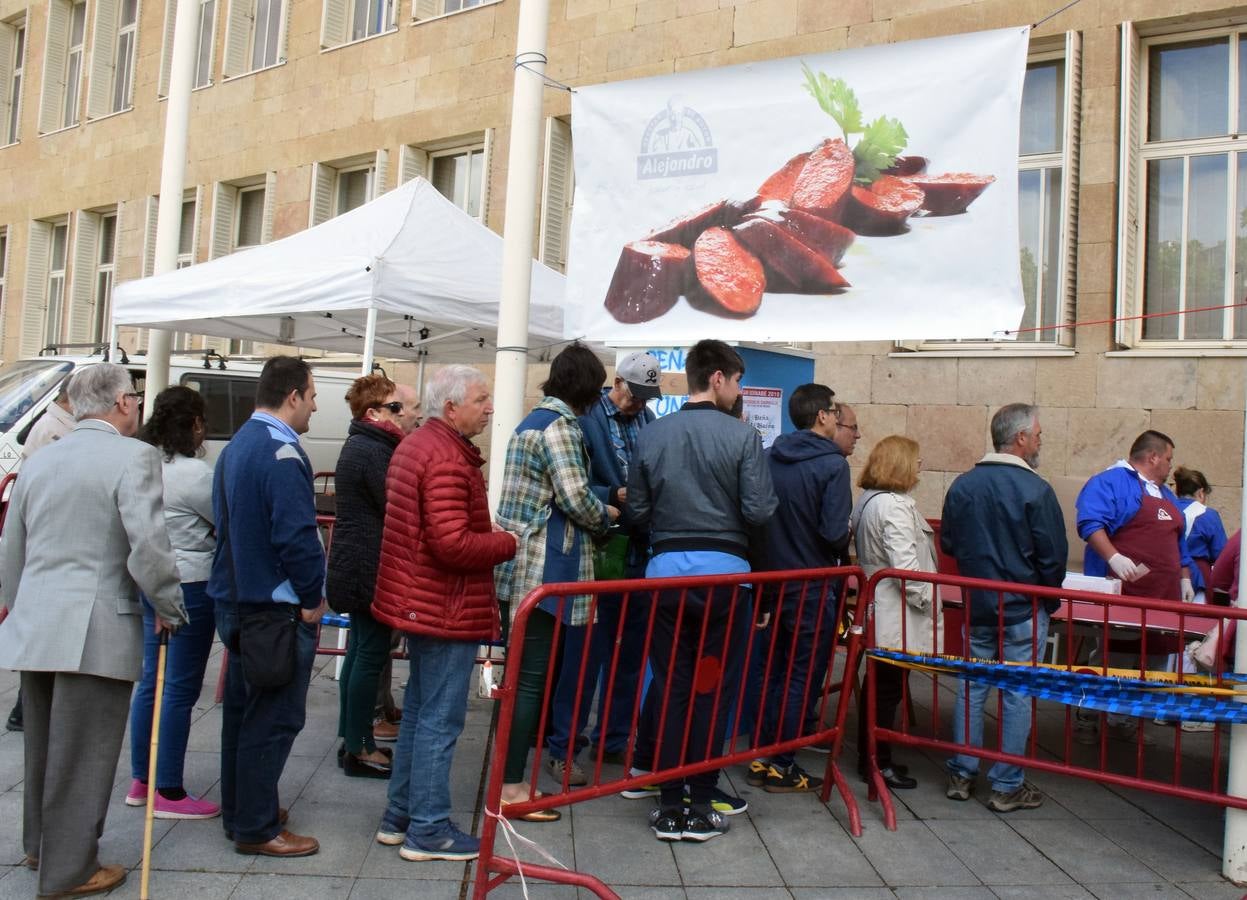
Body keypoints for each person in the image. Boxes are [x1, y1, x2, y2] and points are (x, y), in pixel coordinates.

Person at [0, 363, 188, 898]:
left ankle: (42, 844)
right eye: (134, 397)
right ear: (122, 403)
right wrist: (170, 606)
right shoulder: (134, 456)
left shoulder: (43, 458)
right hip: (95, 625)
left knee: (43, 747)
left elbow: (11, 548)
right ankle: (68, 869)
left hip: (38, 623)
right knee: (83, 754)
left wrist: (21, 608)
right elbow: (148, 549)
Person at [628, 339, 778, 843]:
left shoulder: (652, 436)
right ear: (718, 378)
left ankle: (668, 804)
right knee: (711, 688)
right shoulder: (742, 437)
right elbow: (759, 512)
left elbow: (639, 513)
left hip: (666, 577)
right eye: (737, 381)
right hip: (724, 582)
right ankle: (702, 799)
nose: (739, 391)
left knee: (671, 685)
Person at [371, 365, 517, 861]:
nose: (490, 407)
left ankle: (401, 816)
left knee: (418, 713)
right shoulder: (448, 458)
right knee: (438, 719)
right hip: (444, 605)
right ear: (452, 407)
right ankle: (428, 829)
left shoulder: (418, 445)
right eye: (482, 398)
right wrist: (506, 542)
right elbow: (452, 543)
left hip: (421, 600)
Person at [210, 356, 326, 858]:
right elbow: (297, 536)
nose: (316, 406)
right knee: (273, 718)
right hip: (270, 607)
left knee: (243, 711)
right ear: (293, 395)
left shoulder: (238, 444)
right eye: (313, 395)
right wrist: (311, 597)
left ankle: (242, 811)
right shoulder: (280, 451)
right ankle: (255, 826)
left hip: (237, 601)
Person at [495, 343, 618, 812]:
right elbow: (576, 499)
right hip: (544, 570)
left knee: (524, 676)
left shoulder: (530, 421)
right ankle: (510, 787)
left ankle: (508, 779)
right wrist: (606, 513)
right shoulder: (560, 428)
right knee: (529, 680)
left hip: (523, 565)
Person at [941, 403, 1067, 813]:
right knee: (1015, 694)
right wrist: (1047, 600)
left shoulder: (963, 485)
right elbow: (1052, 558)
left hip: (978, 605)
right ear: (1021, 439)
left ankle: (961, 773)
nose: (1040, 442)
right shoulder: (1036, 489)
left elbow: (950, 545)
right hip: (1022, 608)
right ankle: (1006, 784)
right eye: (1039, 435)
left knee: (971, 688)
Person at [545, 351, 661, 771]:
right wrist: (612, 495)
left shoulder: (647, 421)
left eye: (649, 396)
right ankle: (565, 748)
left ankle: (613, 739)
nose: (642, 403)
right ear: (618, 384)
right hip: (596, 549)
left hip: (636, 547)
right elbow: (567, 484)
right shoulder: (586, 417)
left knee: (630, 653)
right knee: (584, 656)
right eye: (636, 395)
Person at [748, 384, 851, 795]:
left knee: (774, 672)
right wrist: (847, 537)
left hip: (773, 582)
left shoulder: (770, 457)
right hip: (812, 584)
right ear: (823, 416)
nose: (846, 426)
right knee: (802, 677)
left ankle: (761, 754)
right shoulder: (833, 466)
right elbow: (832, 532)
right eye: (837, 413)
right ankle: (782, 763)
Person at [125, 386, 221, 819]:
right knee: (180, 687)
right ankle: (168, 789)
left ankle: (142, 779)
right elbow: (222, 520)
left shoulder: (137, 462)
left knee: (151, 682)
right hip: (190, 583)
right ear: (194, 424)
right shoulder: (194, 474)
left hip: (147, 578)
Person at [1075, 430, 1193, 744]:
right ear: (1152, 456)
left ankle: (1122, 719)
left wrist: (1184, 577)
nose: (1170, 466)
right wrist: (1113, 557)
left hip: (1163, 599)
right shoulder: (1110, 482)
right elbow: (1090, 523)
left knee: (1154, 660)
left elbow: (1179, 544)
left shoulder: (1166, 495)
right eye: (1168, 458)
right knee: (1113, 657)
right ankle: (1089, 716)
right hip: (1124, 594)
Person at [330, 374, 407, 779]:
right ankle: (360, 747)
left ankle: (352, 738)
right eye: (395, 408)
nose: (402, 415)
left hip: (359, 566)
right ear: (373, 413)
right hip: (368, 568)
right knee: (368, 655)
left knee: (360, 653)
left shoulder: (365, 444)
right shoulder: (372, 449)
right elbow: (397, 505)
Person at [851, 435, 938, 791]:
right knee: (887, 689)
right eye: (915, 460)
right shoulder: (895, 507)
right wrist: (925, 601)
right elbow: (906, 567)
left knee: (880, 686)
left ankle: (872, 757)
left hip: (881, 605)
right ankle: (877, 761)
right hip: (896, 611)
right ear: (901, 464)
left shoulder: (869, 501)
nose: (920, 466)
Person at [4, 384, 75, 734]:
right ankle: (23, 711)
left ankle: (25, 709)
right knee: (44, 637)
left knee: (44, 637)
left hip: (44, 542)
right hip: (46, 542)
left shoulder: (56, 426)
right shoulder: (53, 430)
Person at [373, 381, 422, 742]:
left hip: (388, 561)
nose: (415, 414)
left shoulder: (391, 447)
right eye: (408, 406)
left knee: (383, 645)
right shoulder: (378, 450)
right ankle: (375, 717)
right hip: (380, 563)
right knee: (375, 646)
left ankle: (383, 707)